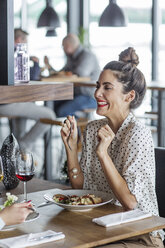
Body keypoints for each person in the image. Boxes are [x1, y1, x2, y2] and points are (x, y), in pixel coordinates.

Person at [61, 47, 164, 247]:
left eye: (107, 87)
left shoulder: (137, 134)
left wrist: (103, 155)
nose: (97, 93)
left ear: (129, 96)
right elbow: (81, 189)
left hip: (140, 236)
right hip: (102, 229)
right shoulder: (93, 129)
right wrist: (71, 147)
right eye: (98, 86)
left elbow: (130, 202)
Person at [0, 28, 55, 150]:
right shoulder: (17, 54)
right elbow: (29, 77)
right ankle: (23, 145)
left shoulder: (4, 53)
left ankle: (16, 154)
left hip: (9, 101)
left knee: (26, 105)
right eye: (26, 42)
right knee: (50, 116)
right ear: (19, 40)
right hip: (6, 104)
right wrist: (35, 63)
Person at [44, 33, 100, 117]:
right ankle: (76, 122)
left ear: (68, 46)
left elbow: (78, 75)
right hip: (75, 94)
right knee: (51, 105)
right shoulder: (71, 57)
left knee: (62, 111)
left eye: (63, 46)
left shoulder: (87, 56)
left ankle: (79, 125)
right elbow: (62, 73)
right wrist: (49, 66)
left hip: (90, 96)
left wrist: (64, 74)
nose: (63, 49)